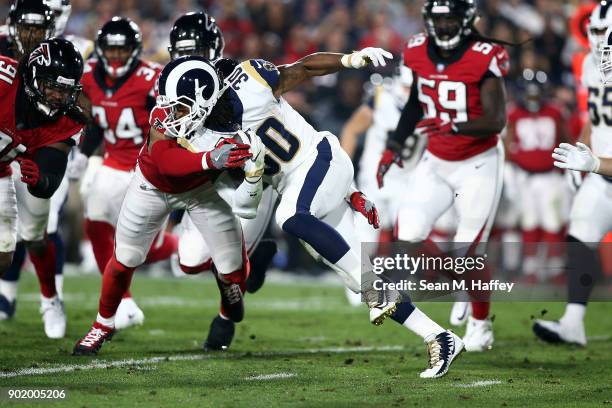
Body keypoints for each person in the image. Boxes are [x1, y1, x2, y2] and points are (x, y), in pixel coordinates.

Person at [194, 45, 463, 378]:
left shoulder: (252, 80)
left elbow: (304, 68)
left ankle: (383, 292)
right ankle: (440, 336)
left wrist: (349, 60)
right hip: (302, 186)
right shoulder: (211, 136)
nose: (205, 112)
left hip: (318, 160)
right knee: (360, 281)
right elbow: (247, 207)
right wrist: (251, 176)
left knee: (289, 217)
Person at [72, 56, 255, 356]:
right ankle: (102, 325)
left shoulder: (228, 115)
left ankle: (226, 296)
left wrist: (249, 169)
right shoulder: (164, 113)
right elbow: (166, 162)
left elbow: (241, 163)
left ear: (206, 103)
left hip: (201, 190)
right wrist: (209, 159)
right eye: (169, 104)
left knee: (233, 268)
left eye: (180, 107)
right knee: (125, 258)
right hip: (151, 187)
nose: (169, 113)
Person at [377, 0, 510, 352]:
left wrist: (454, 124)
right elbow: (417, 103)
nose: (445, 25)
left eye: (451, 18)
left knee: (468, 254)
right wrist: (393, 146)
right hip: (436, 158)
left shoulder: (484, 55)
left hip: (479, 161)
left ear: (466, 20)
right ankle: (466, 284)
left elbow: (496, 119)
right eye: (439, 19)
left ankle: (481, 325)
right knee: (408, 234)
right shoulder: (418, 49)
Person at [166, 12, 279, 351]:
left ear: (212, 49)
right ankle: (255, 259)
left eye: (195, 52)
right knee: (187, 262)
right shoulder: (174, 87)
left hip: (252, 179)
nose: (187, 62)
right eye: (182, 53)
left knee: (229, 259)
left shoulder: (236, 78)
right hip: (208, 184)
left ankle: (225, 318)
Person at [533, 5, 612, 346]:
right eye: (594, 32)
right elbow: (595, 119)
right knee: (580, 234)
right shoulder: (592, 67)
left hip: (603, 168)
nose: (598, 40)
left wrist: (594, 164)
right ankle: (573, 323)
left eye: (603, 32)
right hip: (603, 174)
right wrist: (581, 151)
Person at [0, 38, 85, 338]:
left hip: (20, 168)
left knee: (35, 236)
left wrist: (41, 181)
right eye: (52, 86)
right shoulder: (4, 80)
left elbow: (51, 173)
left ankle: (51, 299)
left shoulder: (66, 120)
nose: (58, 96)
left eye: (66, 89)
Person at [505, 69, 570, 282]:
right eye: (529, 94)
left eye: (535, 94)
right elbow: (507, 143)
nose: (532, 98)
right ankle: (531, 268)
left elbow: (565, 139)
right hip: (523, 176)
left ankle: (555, 269)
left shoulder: (555, 112)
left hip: (550, 175)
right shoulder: (513, 113)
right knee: (529, 222)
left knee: (553, 222)